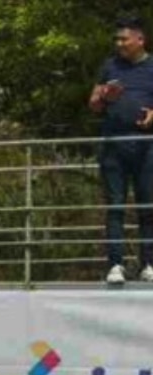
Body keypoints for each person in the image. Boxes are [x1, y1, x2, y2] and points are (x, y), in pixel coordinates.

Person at [88, 16, 153, 284]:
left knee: (148, 205)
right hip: (113, 145)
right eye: (117, 39)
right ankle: (115, 265)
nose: (119, 43)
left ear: (140, 39)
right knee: (115, 205)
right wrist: (103, 96)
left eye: (124, 39)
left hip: (147, 146)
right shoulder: (109, 66)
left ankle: (149, 264)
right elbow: (92, 104)